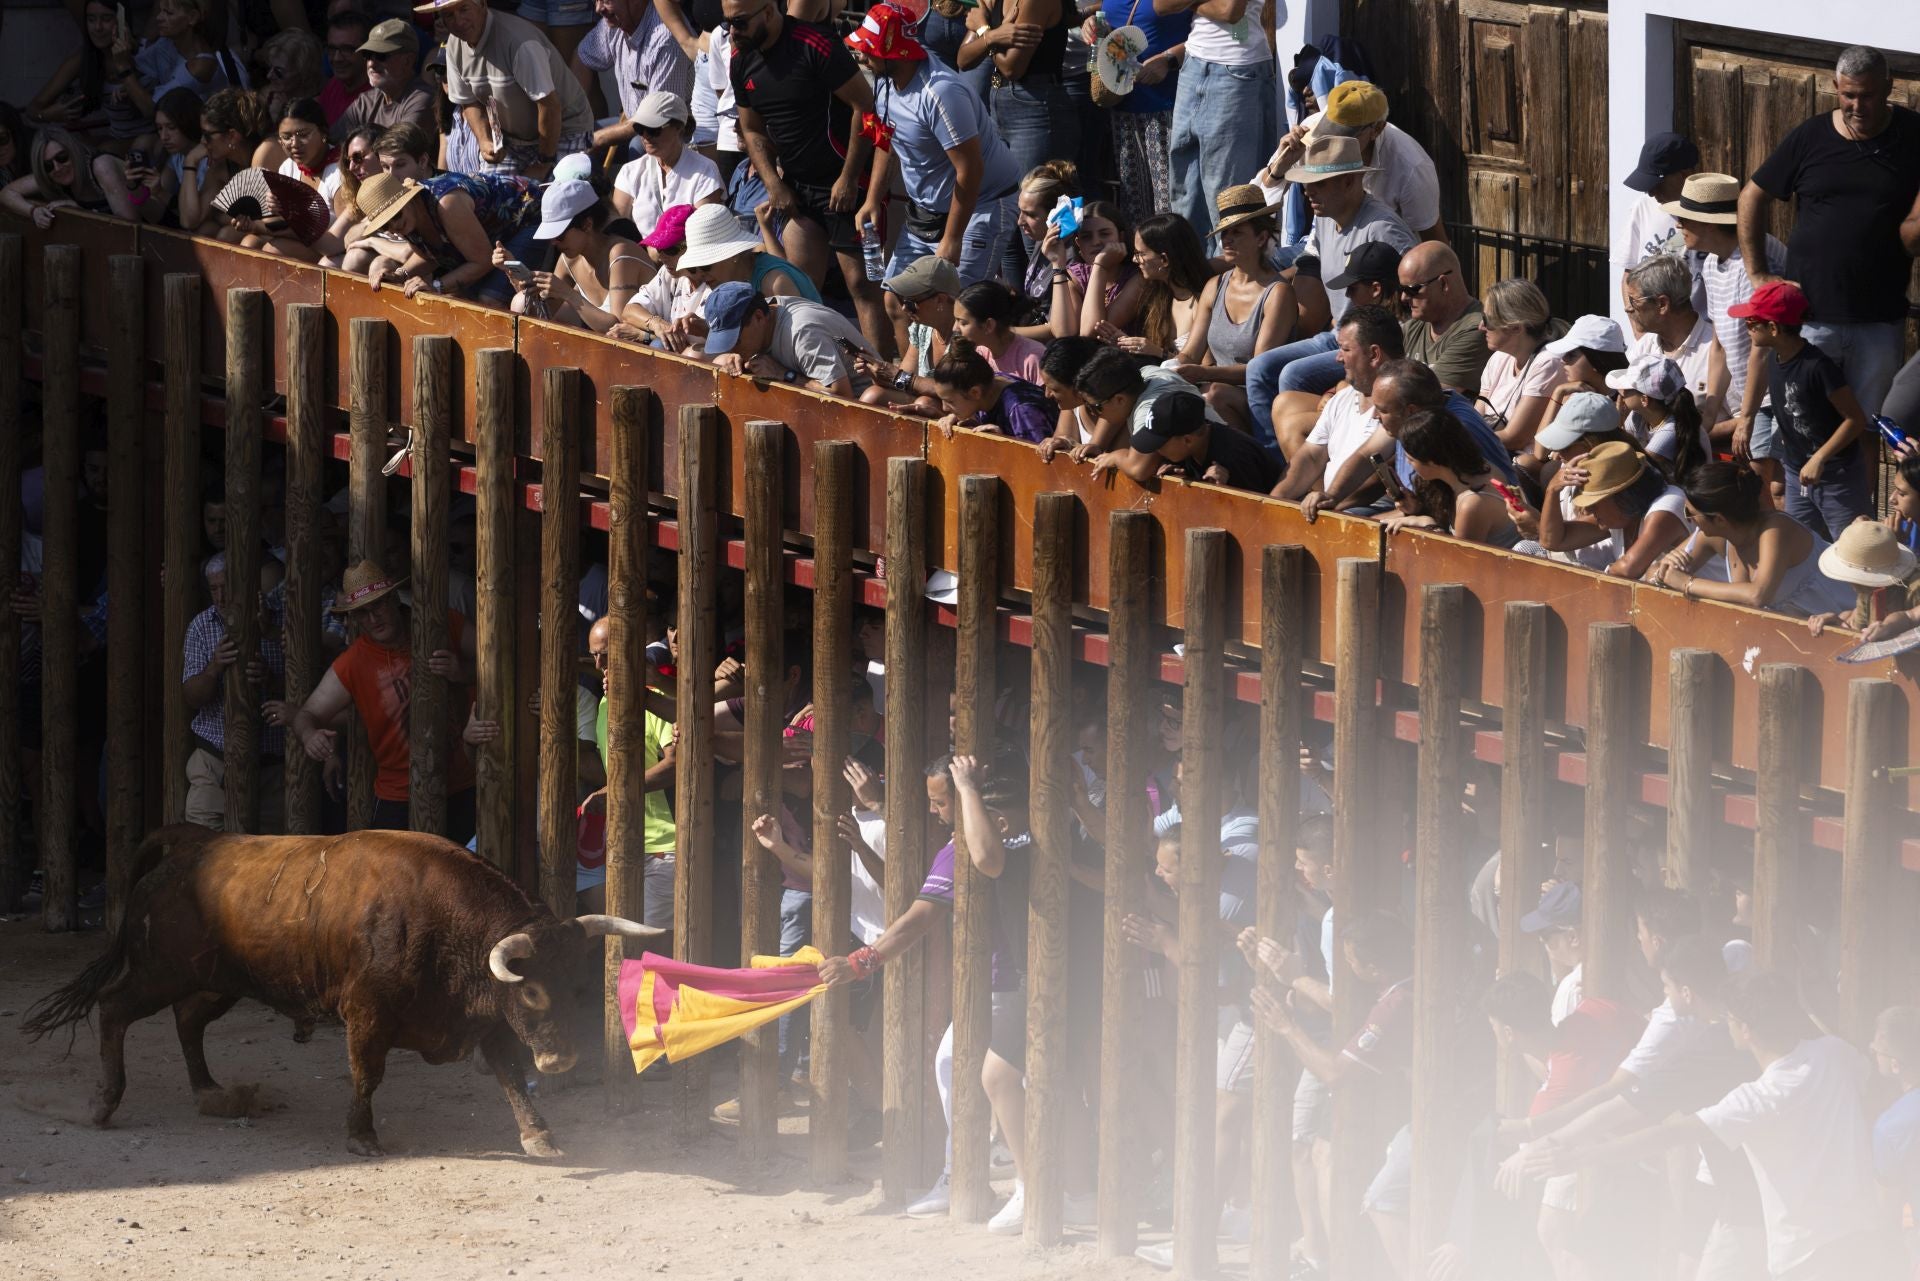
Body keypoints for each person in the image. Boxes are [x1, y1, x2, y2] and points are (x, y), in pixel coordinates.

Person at [1740, 44, 1920, 415]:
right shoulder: (1811, 137)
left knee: (1870, 425)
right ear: (1835, 86)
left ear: (1889, 86)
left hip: (1878, 319)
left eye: (1867, 95)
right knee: (1802, 421)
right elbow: (1752, 197)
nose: (1857, 106)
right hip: (1810, 317)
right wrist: (1757, 274)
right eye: (1848, 95)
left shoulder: (1913, 136)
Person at [1250, 911, 1416, 1276]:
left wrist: (1286, 1026)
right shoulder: (1394, 987)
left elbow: (1334, 1072)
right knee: (1321, 1149)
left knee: (1331, 1158)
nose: (1346, 970)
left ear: (1374, 969)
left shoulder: (1396, 1003)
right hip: (1383, 1099)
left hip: (1398, 1109)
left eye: (1351, 962)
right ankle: (1328, 1258)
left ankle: (1343, 1266)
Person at [726, 0, 885, 350]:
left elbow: (866, 105)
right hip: (797, 186)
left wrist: (849, 176)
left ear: (768, 11)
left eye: (739, 23)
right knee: (800, 287)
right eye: (728, 24)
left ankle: (881, 371)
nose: (732, 33)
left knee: (860, 284)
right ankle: (814, 361)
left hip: (843, 177)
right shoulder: (741, 60)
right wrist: (773, 182)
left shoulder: (816, 44)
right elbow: (751, 129)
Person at [1243, 133, 1418, 452]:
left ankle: (1311, 464)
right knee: (1259, 368)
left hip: (1374, 342)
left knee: (1292, 375)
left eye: (1319, 183)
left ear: (1350, 182)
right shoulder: (1323, 218)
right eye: (1307, 183)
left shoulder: (1384, 230)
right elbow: (1310, 269)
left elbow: (1415, 296)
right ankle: (1272, 461)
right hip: (1338, 333)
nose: (1308, 191)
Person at [289, 559, 480, 843]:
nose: (373, 619)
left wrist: (463, 672)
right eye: (362, 613)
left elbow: (498, 658)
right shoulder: (352, 662)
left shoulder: (441, 623)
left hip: (464, 784)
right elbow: (308, 713)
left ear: (392, 598)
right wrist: (309, 735)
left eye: (377, 606)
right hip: (399, 793)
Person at [848, 4, 1020, 288]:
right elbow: (886, 139)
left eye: (870, 49)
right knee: (896, 297)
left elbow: (971, 170)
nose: (863, 57)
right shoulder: (885, 81)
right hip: (928, 213)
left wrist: (952, 239)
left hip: (982, 205)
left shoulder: (941, 93)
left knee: (955, 308)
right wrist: (872, 200)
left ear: (894, 53)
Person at [1735, 281, 1873, 541]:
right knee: (1799, 543)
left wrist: (1819, 458)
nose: (1747, 327)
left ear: (1773, 328)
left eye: (1752, 321)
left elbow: (1855, 420)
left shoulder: (1817, 367)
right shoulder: (1774, 359)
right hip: (1796, 472)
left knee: (1853, 548)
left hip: (1836, 478)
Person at [1664, 172, 1785, 451]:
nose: (1678, 223)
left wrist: (1747, 416)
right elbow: (1719, 345)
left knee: (1775, 486)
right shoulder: (1710, 263)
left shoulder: (1752, 261)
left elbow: (1763, 345)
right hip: (1752, 398)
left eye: (1686, 217)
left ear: (1709, 224)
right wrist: (1708, 416)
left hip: (1776, 396)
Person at [1648, 462, 1854, 618]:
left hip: (1844, 620)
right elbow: (1653, 573)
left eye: (1690, 513)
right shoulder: (1714, 535)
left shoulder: (1776, 529)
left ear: (1719, 518)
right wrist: (1663, 569)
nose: (1689, 520)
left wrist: (1687, 583)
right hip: (1789, 635)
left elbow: (1757, 595)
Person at [958, 0, 1076, 264]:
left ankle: (1049, 300)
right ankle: (1014, 299)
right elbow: (964, 58)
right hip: (999, 104)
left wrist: (983, 32)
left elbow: (1012, 68)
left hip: (1035, 107)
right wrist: (992, 35)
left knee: (1036, 222)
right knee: (1006, 219)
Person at [1170, 186, 1297, 431]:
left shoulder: (1277, 293)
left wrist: (1204, 374)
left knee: (1213, 396)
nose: (1226, 239)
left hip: (1258, 398)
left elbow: (1260, 371)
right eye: (1224, 232)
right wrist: (1171, 368)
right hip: (1214, 386)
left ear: (1261, 238)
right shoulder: (1214, 285)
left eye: (1236, 232)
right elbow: (1191, 352)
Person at [1257, 79, 1444, 244]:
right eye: (1328, 131)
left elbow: (1434, 242)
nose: (1333, 142)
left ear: (1377, 129)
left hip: (1380, 260)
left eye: (1344, 135)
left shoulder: (1411, 166)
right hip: (1320, 247)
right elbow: (1258, 198)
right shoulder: (1310, 133)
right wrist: (1280, 167)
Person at [428, 0, 594, 180]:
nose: (459, 21)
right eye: (449, 15)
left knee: (555, 197)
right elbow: (469, 102)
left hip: (565, 129)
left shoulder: (519, 42)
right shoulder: (453, 46)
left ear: (483, 5)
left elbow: (549, 106)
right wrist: (485, 141)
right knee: (493, 195)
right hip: (513, 139)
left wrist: (544, 162)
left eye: (464, 9)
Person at [182, 552, 288, 832]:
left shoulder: (281, 623)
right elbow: (191, 697)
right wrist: (214, 668)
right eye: (214, 588)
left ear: (247, 583)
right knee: (201, 852)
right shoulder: (201, 627)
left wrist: (269, 678)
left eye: (226, 586)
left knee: (271, 863)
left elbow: (306, 692)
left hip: (273, 772)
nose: (220, 596)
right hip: (214, 766)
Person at [1161, 0, 1274, 245]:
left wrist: (1184, 5)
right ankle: (1191, 276)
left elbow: (1230, 12)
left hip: (1237, 69)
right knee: (1184, 188)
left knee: (1227, 197)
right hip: (1193, 63)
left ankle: (1230, 278)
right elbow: (1160, 5)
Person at [351, 166, 541, 302]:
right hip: (494, 237)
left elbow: (482, 261)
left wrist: (436, 287)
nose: (394, 226)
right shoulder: (410, 218)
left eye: (396, 215)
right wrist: (399, 275)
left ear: (407, 200)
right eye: (385, 225)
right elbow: (430, 255)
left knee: (488, 298)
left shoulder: (447, 204)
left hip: (529, 216)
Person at [1274, 304, 1394, 504]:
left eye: (1345, 349)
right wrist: (1274, 502)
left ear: (1374, 354)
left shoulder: (1406, 400)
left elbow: (1377, 469)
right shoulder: (1342, 398)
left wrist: (1333, 504)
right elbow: (1310, 457)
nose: (1338, 358)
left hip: (1375, 513)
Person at [505, 177, 645, 331]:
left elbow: (620, 330)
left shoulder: (620, 254)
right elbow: (542, 316)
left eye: (559, 235)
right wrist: (519, 284)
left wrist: (567, 293)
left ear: (587, 224)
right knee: (521, 300)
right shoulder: (569, 259)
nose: (553, 242)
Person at [1539, 440, 1694, 580]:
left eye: (1595, 502)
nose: (1589, 509)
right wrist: (1552, 491)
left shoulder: (1667, 505)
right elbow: (1552, 540)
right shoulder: (1620, 514)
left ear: (1623, 496)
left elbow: (1627, 569)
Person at [701, 279, 875, 397]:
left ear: (759, 317)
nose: (732, 348)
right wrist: (735, 359)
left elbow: (842, 397)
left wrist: (782, 374)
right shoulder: (763, 313)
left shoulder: (802, 333)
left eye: (735, 340)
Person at [1092, 387, 1282, 493]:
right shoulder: (1196, 444)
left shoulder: (1232, 456)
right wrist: (1183, 471)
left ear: (1188, 440)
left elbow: (1256, 508)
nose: (1156, 452)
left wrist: (1223, 488)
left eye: (1160, 445)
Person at [1384, 410, 1522, 549]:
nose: (1408, 464)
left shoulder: (1472, 504)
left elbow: (1459, 561)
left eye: (1411, 459)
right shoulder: (1477, 466)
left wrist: (1428, 524)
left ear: (1431, 461)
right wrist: (1417, 508)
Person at [574, 0, 698, 153]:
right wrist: (574, 114)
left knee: (638, 146)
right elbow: (582, 57)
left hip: (670, 132)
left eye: (606, 0)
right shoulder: (613, 23)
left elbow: (656, 118)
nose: (598, 8)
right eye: (596, 0)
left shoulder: (665, 40)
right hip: (635, 125)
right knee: (575, 137)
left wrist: (599, 139)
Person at [1624, 253, 1724, 425]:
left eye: (1634, 301)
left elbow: (1743, 421)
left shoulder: (1717, 350)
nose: (1627, 309)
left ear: (1662, 304)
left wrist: (1684, 438)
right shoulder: (1643, 347)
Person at [856, 254, 960, 412]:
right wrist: (878, 374)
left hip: (960, 410)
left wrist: (897, 376)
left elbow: (958, 392)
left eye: (911, 303)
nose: (904, 308)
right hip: (932, 402)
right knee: (874, 395)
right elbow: (903, 381)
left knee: (925, 403)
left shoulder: (965, 334)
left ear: (940, 300)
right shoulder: (922, 328)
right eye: (902, 300)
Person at [610, 90, 723, 231]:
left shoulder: (705, 170)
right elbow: (618, 230)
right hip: (639, 251)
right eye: (639, 128)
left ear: (679, 128)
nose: (645, 136)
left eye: (653, 129)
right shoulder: (629, 172)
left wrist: (660, 251)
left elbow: (704, 231)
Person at [1475, 277, 1565, 454]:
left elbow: (1515, 438)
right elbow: (1476, 417)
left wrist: (1456, 440)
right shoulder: (1499, 358)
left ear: (1516, 328)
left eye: (1487, 320)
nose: (1481, 327)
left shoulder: (1548, 363)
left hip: (1521, 463)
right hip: (1491, 453)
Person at [673, 201, 821, 303]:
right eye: (693, 268)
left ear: (733, 255)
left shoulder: (774, 283)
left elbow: (797, 340)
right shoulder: (734, 279)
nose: (699, 274)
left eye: (706, 265)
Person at [1112, 212, 1211, 361]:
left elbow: (1202, 369)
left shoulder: (1202, 301)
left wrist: (1156, 352)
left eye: (1140, 254)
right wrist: (1129, 344)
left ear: (1164, 259)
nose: (1134, 259)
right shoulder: (1160, 297)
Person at [1617, 130, 1699, 309]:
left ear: (1684, 174)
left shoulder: (1716, 215)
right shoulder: (1643, 207)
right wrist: (1639, 333)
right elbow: (1629, 276)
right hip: (1651, 334)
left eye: (1657, 184)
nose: (1651, 193)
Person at [1040, 198, 1143, 340]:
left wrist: (1100, 266)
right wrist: (1058, 264)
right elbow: (1064, 333)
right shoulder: (1076, 275)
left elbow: (1091, 333)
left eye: (1105, 234)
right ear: (1078, 244)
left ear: (1121, 237)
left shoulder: (1138, 277)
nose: (1096, 242)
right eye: (1086, 237)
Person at [1804, 521, 1920, 643]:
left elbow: (1911, 617)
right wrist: (1836, 621)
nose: (1852, 584)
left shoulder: (1914, 587)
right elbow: (1859, 630)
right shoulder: (1868, 591)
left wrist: (1893, 625)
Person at [1398, 241, 1487, 397]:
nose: (1403, 297)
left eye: (1412, 289)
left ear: (1444, 284)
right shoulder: (1414, 326)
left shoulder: (1478, 329)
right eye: (1402, 289)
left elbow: (1426, 397)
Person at [0, 127, 135, 227]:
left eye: (62, 157)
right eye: (48, 165)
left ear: (74, 151)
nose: (57, 168)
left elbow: (130, 225)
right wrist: (33, 211)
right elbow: (6, 193)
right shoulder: (51, 175)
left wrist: (84, 213)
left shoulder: (101, 166)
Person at [1870, 1006, 1920, 1273]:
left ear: (1895, 1064)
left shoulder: (1892, 1126)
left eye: (1877, 1050)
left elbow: (1887, 1206)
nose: (1874, 1055)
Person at [1605, 353, 1710, 479]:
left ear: (1644, 400)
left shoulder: (1671, 429)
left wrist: (1617, 424)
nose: (1620, 392)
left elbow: (1631, 468)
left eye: (1626, 389)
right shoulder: (1638, 416)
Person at [331, 18, 436, 143]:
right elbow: (330, 141)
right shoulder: (365, 102)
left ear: (408, 61)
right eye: (368, 55)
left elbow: (397, 153)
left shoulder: (423, 99)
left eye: (381, 56)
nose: (371, 63)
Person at [928, 346, 1055, 444]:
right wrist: (956, 416)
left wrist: (1001, 442)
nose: (944, 408)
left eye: (950, 402)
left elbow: (1039, 462)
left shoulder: (1021, 410)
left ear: (975, 393)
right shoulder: (989, 383)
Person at [952, 281, 1045, 384]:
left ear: (989, 326)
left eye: (963, 323)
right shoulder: (980, 353)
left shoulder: (1033, 359)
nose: (954, 328)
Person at [275, 98, 343, 203]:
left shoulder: (341, 170)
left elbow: (351, 219)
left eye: (303, 135)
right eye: (287, 137)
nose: (295, 144)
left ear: (323, 133)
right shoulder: (287, 168)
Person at [316, 9, 374, 125]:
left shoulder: (379, 100)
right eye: (332, 49)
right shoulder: (334, 85)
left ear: (368, 51)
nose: (337, 58)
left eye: (347, 49)